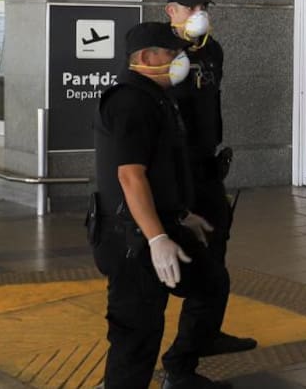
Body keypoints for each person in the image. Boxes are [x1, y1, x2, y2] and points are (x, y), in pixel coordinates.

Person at [89, 22, 231, 389]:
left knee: (211, 282)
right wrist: (156, 238)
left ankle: (180, 369)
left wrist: (182, 215)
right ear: (147, 57)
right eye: (172, 54)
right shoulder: (129, 101)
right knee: (136, 333)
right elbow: (130, 177)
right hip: (132, 240)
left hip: (163, 225)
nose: (180, 61)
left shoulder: (156, 96)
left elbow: (161, 169)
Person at [164, 0, 257, 358]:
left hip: (206, 164)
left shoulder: (213, 51)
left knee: (217, 251)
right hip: (175, 170)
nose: (199, 15)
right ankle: (182, 356)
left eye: (204, 8)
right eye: (190, 8)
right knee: (191, 260)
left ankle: (207, 334)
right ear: (171, 11)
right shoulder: (159, 51)